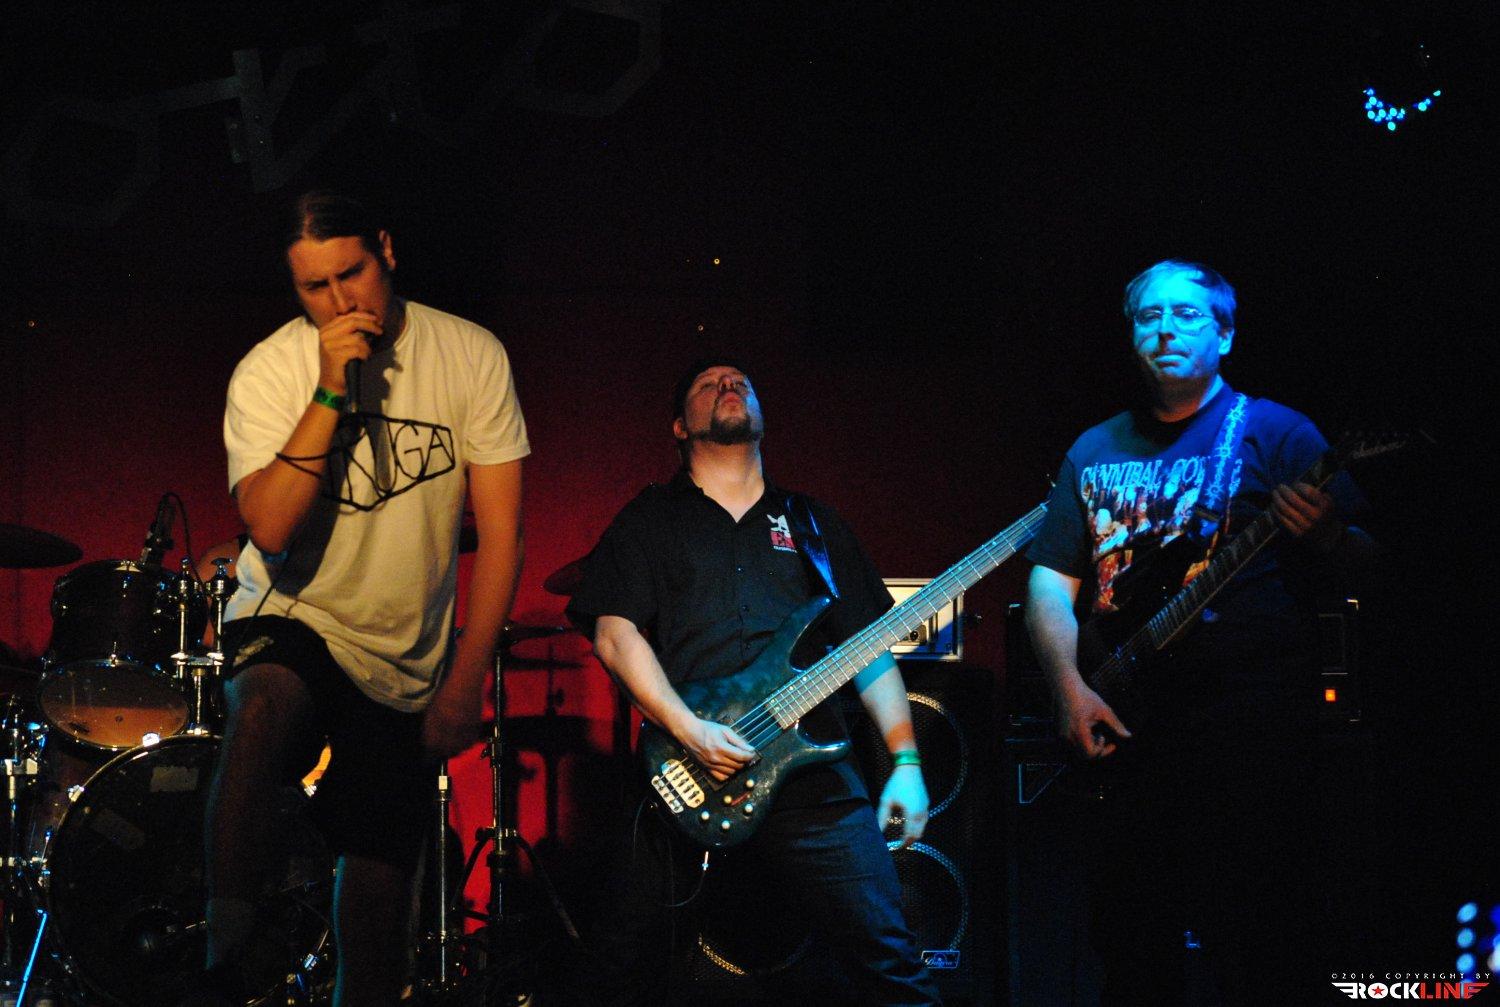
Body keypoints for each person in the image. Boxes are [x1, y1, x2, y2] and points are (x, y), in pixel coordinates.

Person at [197, 190, 528, 1005]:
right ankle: (225, 954)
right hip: (295, 611)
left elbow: (504, 536)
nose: (341, 300)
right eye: (315, 286)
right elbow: (270, 528)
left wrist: (463, 682)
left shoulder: (471, 354)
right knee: (264, 705)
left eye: (352, 273)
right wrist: (328, 390)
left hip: (403, 650)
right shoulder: (270, 369)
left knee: (380, 889)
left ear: (387, 249)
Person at [1024, 259, 1376, 1005]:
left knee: (1257, 943)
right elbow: (1051, 584)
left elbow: (1369, 564)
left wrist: (1326, 534)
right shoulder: (1093, 449)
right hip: (1125, 725)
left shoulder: (1276, 431)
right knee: (1131, 947)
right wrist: (1068, 690)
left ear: (1225, 334)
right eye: (1149, 316)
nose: (1165, 329)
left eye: (1186, 314)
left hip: (1248, 734)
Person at [563, 360, 940, 1005]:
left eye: (740, 381)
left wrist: (906, 761)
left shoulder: (814, 523)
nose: (728, 386)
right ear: (678, 426)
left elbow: (870, 649)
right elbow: (614, 635)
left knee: (892, 962)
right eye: (708, 384)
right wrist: (690, 730)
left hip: (811, 772)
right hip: (685, 765)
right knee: (618, 967)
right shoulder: (650, 519)